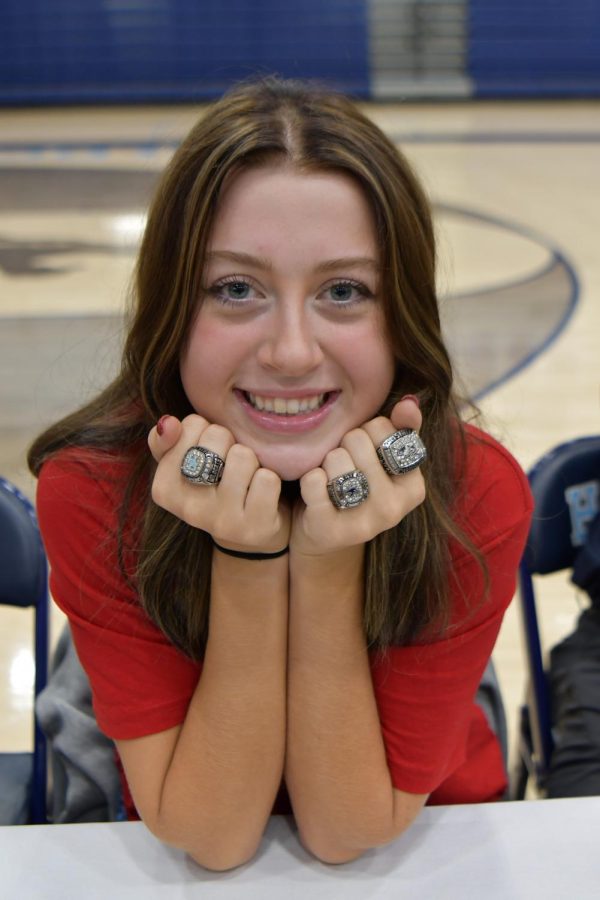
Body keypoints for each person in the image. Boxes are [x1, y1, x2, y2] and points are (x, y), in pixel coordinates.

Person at [28, 77, 533, 870]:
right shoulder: (95, 489)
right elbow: (212, 837)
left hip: (432, 848)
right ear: (171, 309)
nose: (292, 352)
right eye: (236, 289)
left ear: (402, 316)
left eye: (343, 291)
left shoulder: (475, 491)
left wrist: (327, 557)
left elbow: (347, 830)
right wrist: (253, 557)